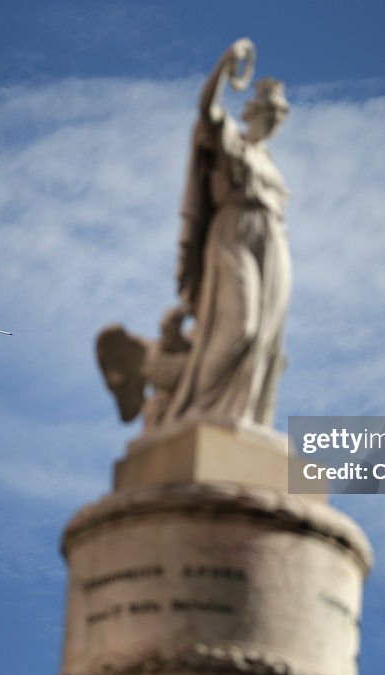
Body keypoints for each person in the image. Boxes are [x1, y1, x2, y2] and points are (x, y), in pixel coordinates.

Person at [164, 38, 291, 428]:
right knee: (242, 326)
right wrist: (224, 65)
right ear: (254, 111)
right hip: (233, 230)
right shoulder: (230, 140)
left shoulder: (269, 161)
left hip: (272, 240)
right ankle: (196, 413)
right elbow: (207, 109)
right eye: (265, 108)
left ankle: (247, 417)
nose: (270, 116)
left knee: (266, 339)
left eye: (275, 112)